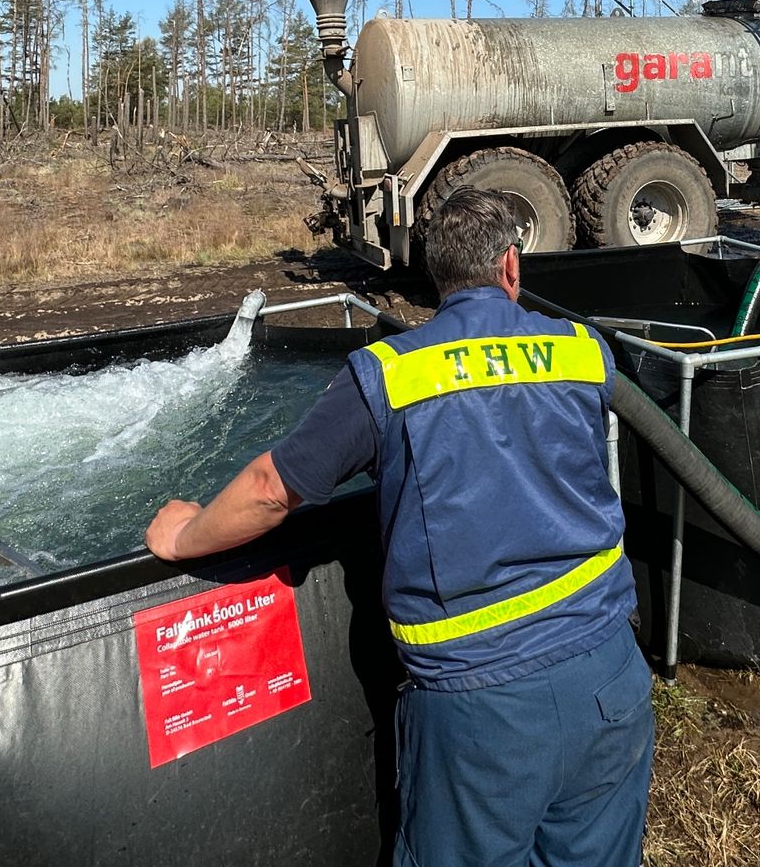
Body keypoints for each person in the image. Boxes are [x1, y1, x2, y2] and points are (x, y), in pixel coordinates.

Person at [145, 188, 653, 867]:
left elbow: (271, 489)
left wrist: (183, 535)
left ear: (435, 275)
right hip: (609, 670)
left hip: (482, 707)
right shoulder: (583, 350)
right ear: (511, 265)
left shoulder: (388, 375)